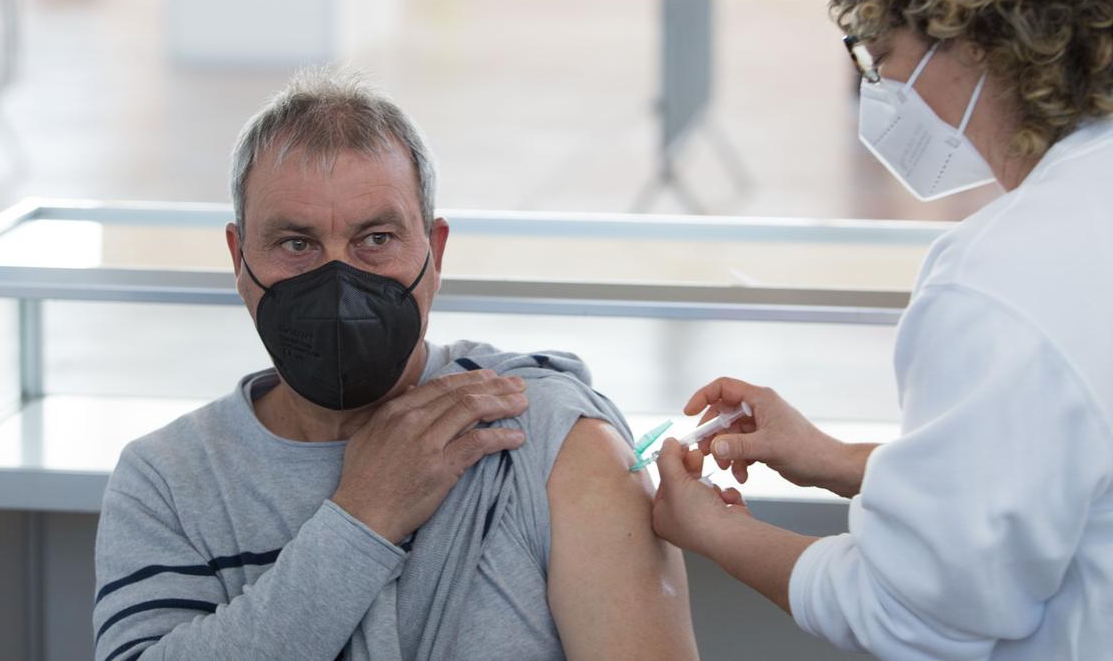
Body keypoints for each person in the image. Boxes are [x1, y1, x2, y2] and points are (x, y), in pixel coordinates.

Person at [93, 68, 698, 661]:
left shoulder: (549, 441)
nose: (338, 282)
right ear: (239, 256)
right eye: (296, 244)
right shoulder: (168, 480)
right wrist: (364, 514)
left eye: (375, 239)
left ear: (433, 253)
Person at [651, 0, 1113, 659]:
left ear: (972, 39)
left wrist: (715, 532)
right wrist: (837, 460)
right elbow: (1044, 474)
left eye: (882, 55)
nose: (884, 84)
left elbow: (913, 614)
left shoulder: (997, 283)